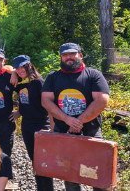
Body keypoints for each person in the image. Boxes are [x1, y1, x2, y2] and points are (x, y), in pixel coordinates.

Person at [41, 43, 110, 191]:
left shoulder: (93, 75)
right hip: (63, 132)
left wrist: (78, 122)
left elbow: (102, 100)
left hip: (91, 131)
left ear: (80, 55)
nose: (69, 57)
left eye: (72, 54)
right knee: (69, 173)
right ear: (61, 57)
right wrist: (66, 119)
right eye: (65, 55)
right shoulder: (53, 77)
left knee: (96, 172)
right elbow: (45, 100)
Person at [12, 55, 54, 191]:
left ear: (29, 66)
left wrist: (52, 129)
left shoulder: (39, 83)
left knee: (44, 161)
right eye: (17, 68)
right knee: (34, 159)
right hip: (27, 125)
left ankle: (47, 189)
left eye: (22, 67)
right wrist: (13, 72)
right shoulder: (21, 84)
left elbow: (49, 105)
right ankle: (39, 187)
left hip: (41, 124)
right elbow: (25, 102)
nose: (20, 70)